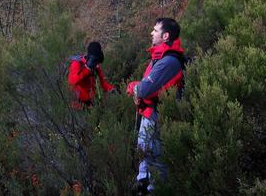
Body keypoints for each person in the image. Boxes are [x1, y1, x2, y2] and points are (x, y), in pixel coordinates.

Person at [126, 18, 185, 195]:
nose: (151, 33)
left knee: (156, 163)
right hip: (149, 115)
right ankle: (142, 186)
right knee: (144, 158)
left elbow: (144, 89)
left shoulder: (168, 62)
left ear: (165, 36)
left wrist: (132, 87)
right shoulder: (160, 57)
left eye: (155, 30)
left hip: (156, 118)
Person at [67, 41, 115, 108]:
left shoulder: (96, 66)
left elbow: (103, 83)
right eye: (95, 61)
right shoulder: (77, 63)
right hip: (78, 104)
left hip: (91, 102)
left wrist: (112, 89)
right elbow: (72, 82)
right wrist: (87, 68)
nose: (96, 64)